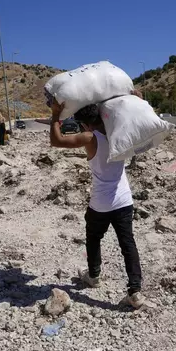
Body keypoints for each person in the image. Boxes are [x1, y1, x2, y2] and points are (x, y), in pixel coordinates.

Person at [49, 92, 146, 309]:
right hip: (123, 200)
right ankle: (135, 292)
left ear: (84, 123)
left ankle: (93, 276)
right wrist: (138, 101)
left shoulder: (90, 138)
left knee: (93, 238)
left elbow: (57, 141)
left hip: (101, 203)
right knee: (127, 243)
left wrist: (55, 115)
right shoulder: (120, 133)